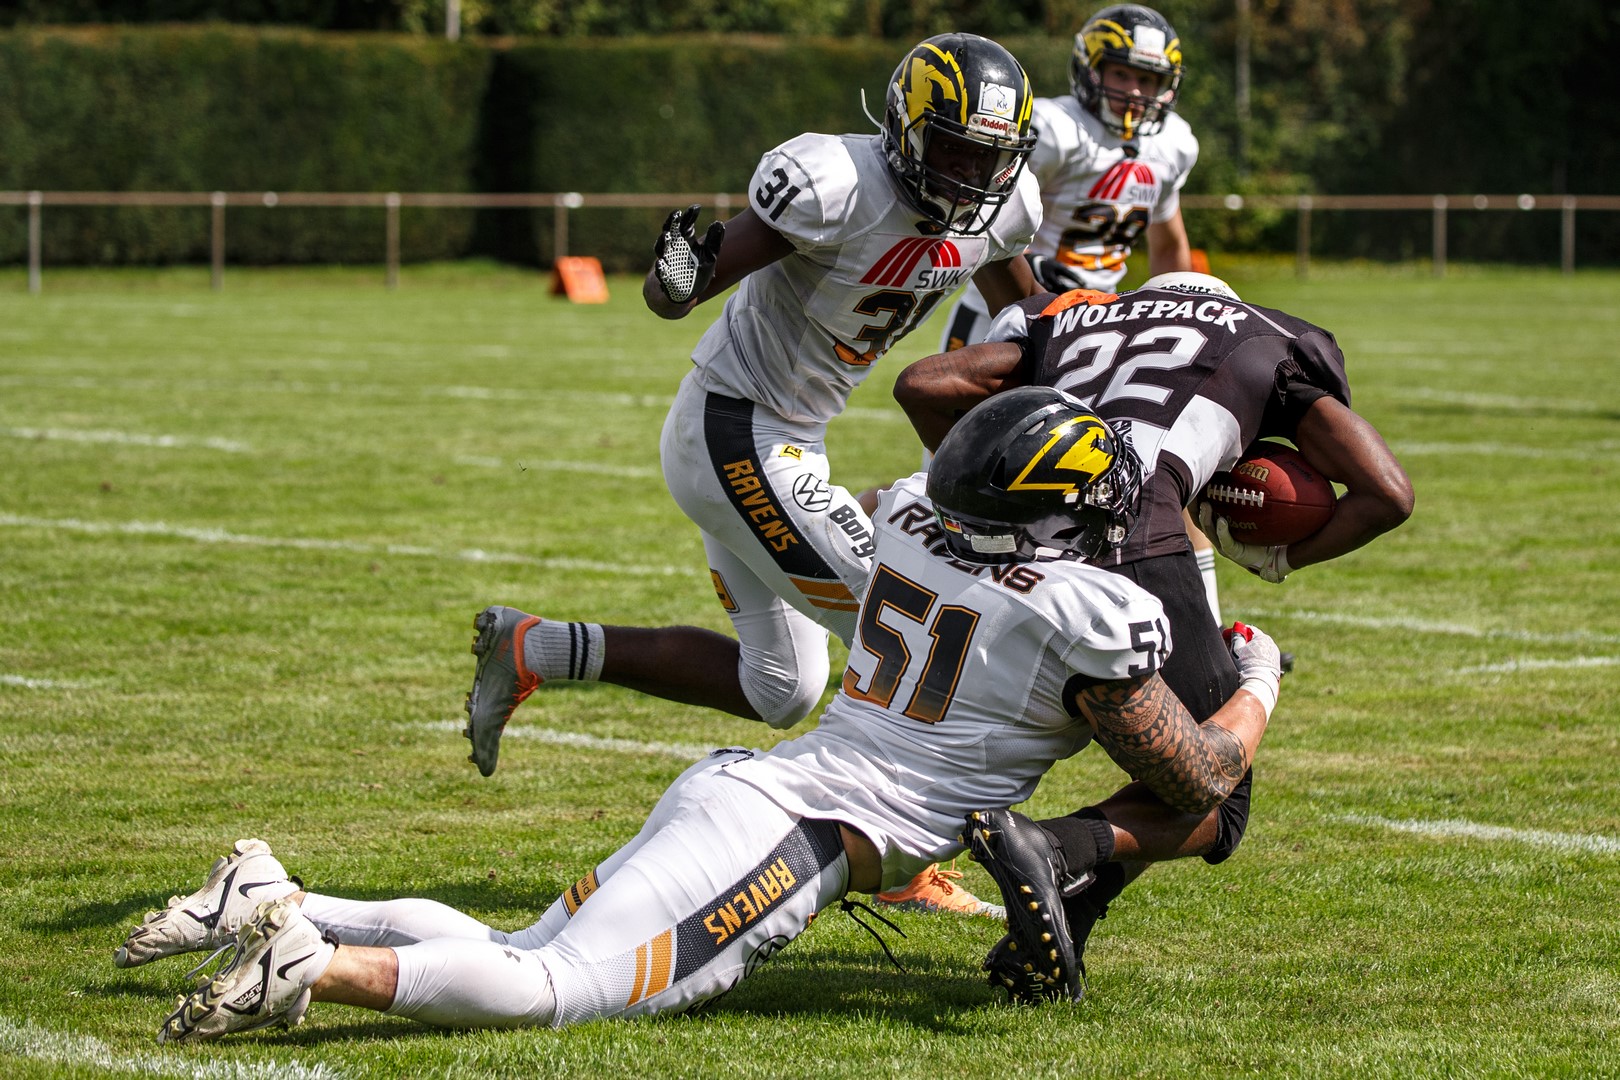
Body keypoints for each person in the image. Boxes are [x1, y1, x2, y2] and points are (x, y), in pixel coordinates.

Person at [119, 389, 1287, 1040]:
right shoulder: (1088, 608)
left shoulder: (907, 518)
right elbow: (1196, 781)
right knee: (550, 993)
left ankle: (274, 899)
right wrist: (1258, 677)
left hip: (751, 784)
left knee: (526, 946)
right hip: (804, 837)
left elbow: (800, 533)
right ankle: (309, 967)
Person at [463, 33, 1047, 917]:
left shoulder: (1001, 210)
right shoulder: (836, 184)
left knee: (782, 689)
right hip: (735, 427)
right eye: (954, 149)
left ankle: (535, 646)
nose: (969, 177)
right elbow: (681, 292)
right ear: (905, 129)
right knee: (914, 628)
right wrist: (671, 274)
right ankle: (895, 857)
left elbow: (1026, 312)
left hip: (789, 440)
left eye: (988, 158)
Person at [892, 270, 1414, 997]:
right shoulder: (1259, 338)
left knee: (1160, 751)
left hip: (1013, 546)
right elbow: (1388, 493)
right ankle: (1052, 847)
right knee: (1212, 797)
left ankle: (1068, 916)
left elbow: (924, 382)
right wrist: (1280, 555)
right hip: (1131, 523)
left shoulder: (1077, 321)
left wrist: (990, 507)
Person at [924, 4, 1232, 628]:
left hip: (1101, 328)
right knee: (964, 479)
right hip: (1014, 316)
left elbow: (1166, 238)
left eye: (1149, 79)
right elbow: (986, 213)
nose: (1136, 91)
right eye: (1123, 74)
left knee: (1149, 477)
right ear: (1090, 70)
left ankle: (1202, 632)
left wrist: (1181, 308)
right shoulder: (1057, 129)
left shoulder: (1173, 144)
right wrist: (1037, 302)